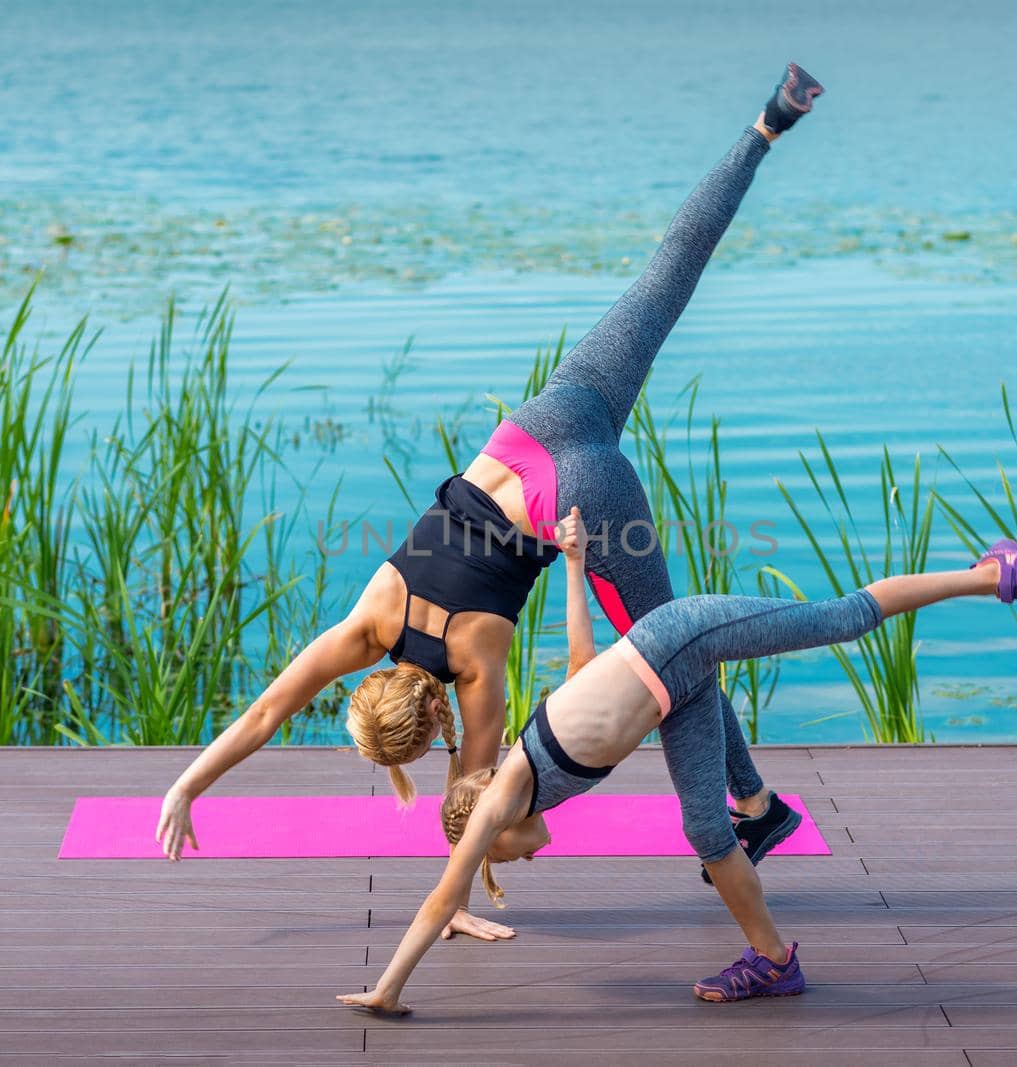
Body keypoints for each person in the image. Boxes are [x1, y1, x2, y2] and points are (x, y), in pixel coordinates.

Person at [155, 64, 828, 937]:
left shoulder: (475, 674)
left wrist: (459, 905)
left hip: (582, 501)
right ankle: (769, 125)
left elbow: (474, 808)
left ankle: (752, 808)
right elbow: (265, 708)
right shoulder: (370, 619)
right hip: (543, 422)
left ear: (423, 726)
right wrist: (182, 783)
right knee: (667, 278)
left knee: (676, 661)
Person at [337, 536, 1017, 1012]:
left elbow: (442, 896)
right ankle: (774, 959)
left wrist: (387, 989)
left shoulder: (502, 793)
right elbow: (582, 665)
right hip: (675, 689)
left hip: (680, 638)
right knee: (703, 826)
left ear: (486, 831)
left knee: (840, 618)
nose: (521, 857)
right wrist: (571, 562)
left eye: (501, 857)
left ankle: (993, 574)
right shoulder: (533, 768)